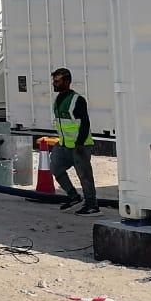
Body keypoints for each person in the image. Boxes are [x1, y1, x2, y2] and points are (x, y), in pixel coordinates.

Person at [50, 67, 100, 215]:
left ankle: (92, 205)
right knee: (56, 167)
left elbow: (85, 123)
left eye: (57, 81)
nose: (54, 83)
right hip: (64, 144)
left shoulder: (77, 100)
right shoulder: (58, 100)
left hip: (80, 145)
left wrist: (79, 144)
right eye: (54, 81)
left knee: (84, 175)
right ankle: (73, 196)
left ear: (67, 82)